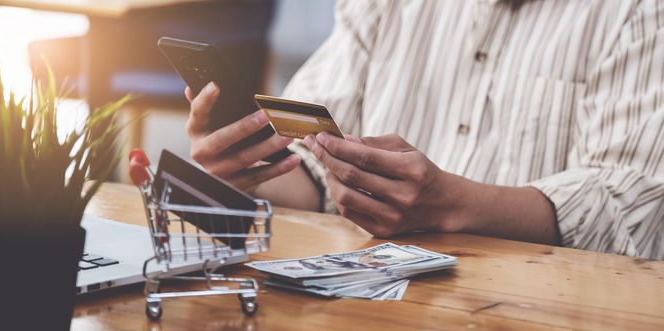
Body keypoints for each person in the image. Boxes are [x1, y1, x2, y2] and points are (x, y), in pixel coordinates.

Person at [184, 0, 664, 260]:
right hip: (374, 309)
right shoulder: (381, 7)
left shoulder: (638, 12)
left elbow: (634, 205)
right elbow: (314, 173)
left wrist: (453, 204)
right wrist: (243, 174)